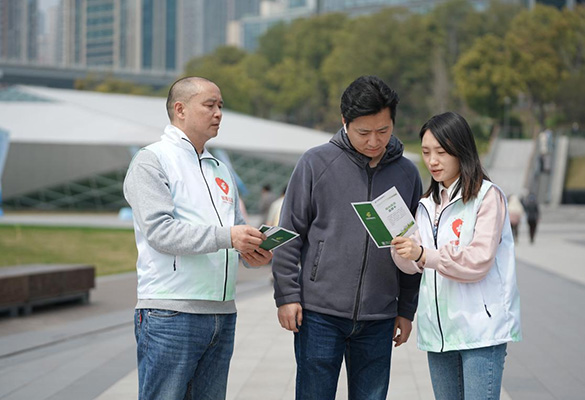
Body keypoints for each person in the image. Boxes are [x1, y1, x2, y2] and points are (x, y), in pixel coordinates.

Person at [272, 75, 423, 400]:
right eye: (363, 132)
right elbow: (288, 233)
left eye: (383, 131)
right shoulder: (315, 163)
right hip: (319, 314)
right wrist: (286, 295)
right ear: (344, 121)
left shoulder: (407, 173)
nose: (374, 141)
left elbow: (414, 247)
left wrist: (406, 308)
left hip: (380, 315)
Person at [123, 76, 273, 400]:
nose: (218, 113)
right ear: (180, 109)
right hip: (170, 312)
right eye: (209, 105)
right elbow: (160, 231)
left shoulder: (220, 169)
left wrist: (252, 252)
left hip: (222, 313)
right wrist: (228, 237)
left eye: (221, 106)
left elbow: (234, 230)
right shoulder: (152, 160)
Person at [391, 111, 522, 400]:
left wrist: (424, 254)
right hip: (439, 334)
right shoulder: (426, 204)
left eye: (441, 152)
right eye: (426, 152)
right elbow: (413, 264)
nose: (432, 161)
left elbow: (478, 261)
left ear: (461, 150)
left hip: (480, 332)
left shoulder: (487, 197)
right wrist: (400, 248)